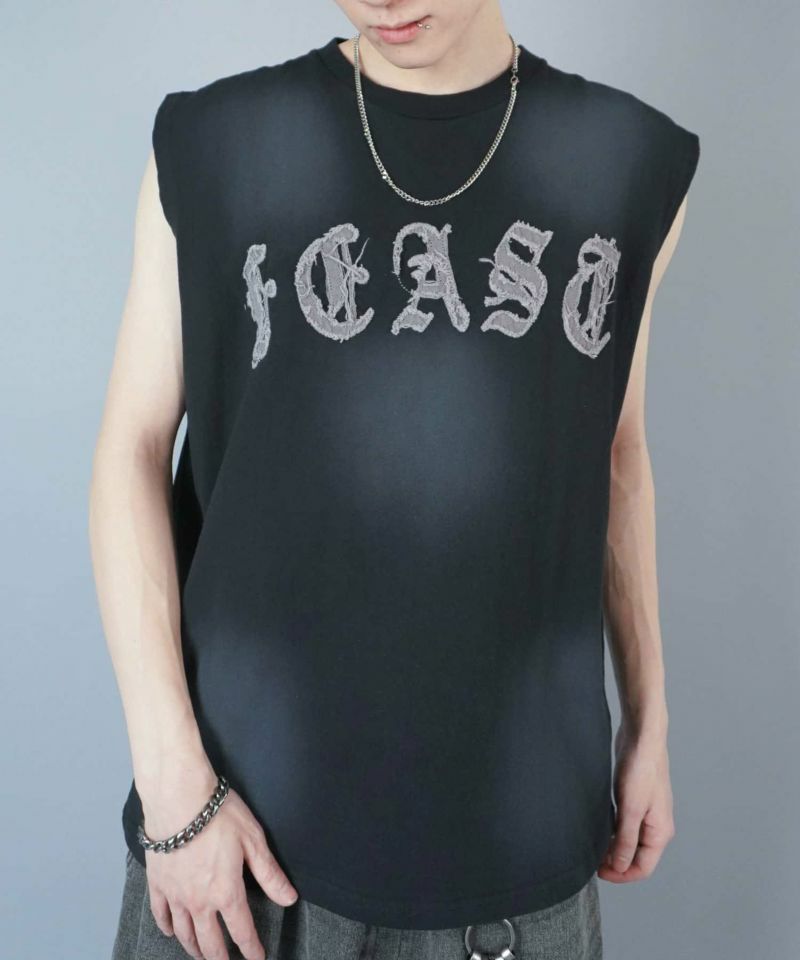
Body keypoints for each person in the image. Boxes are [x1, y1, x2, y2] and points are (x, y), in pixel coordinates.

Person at [89, 1, 701, 958]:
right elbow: (130, 446)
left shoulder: (625, 159)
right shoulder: (216, 142)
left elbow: (616, 451)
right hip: (234, 843)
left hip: (516, 842)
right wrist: (172, 787)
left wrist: (650, 719)